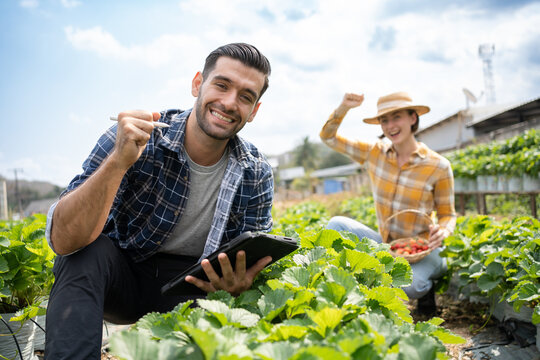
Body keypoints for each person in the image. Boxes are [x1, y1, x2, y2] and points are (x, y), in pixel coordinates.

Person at [44, 43, 274, 359]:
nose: (230, 102)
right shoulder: (133, 137)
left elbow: (247, 264)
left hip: (192, 291)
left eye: (246, 96)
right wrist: (119, 162)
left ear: (254, 111)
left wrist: (239, 283)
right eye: (221, 85)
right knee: (84, 253)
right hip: (123, 278)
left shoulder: (256, 171)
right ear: (198, 84)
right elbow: (63, 240)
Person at [320, 91, 456, 316]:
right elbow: (328, 137)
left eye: (397, 117)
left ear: (413, 118)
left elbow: (447, 214)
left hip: (424, 248)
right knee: (336, 224)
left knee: (410, 286)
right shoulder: (375, 152)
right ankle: (340, 288)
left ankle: (429, 287)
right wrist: (343, 107)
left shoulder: (438, 166)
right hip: (388, 246)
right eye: (384, 120)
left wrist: (443, 230)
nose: (390, 126)